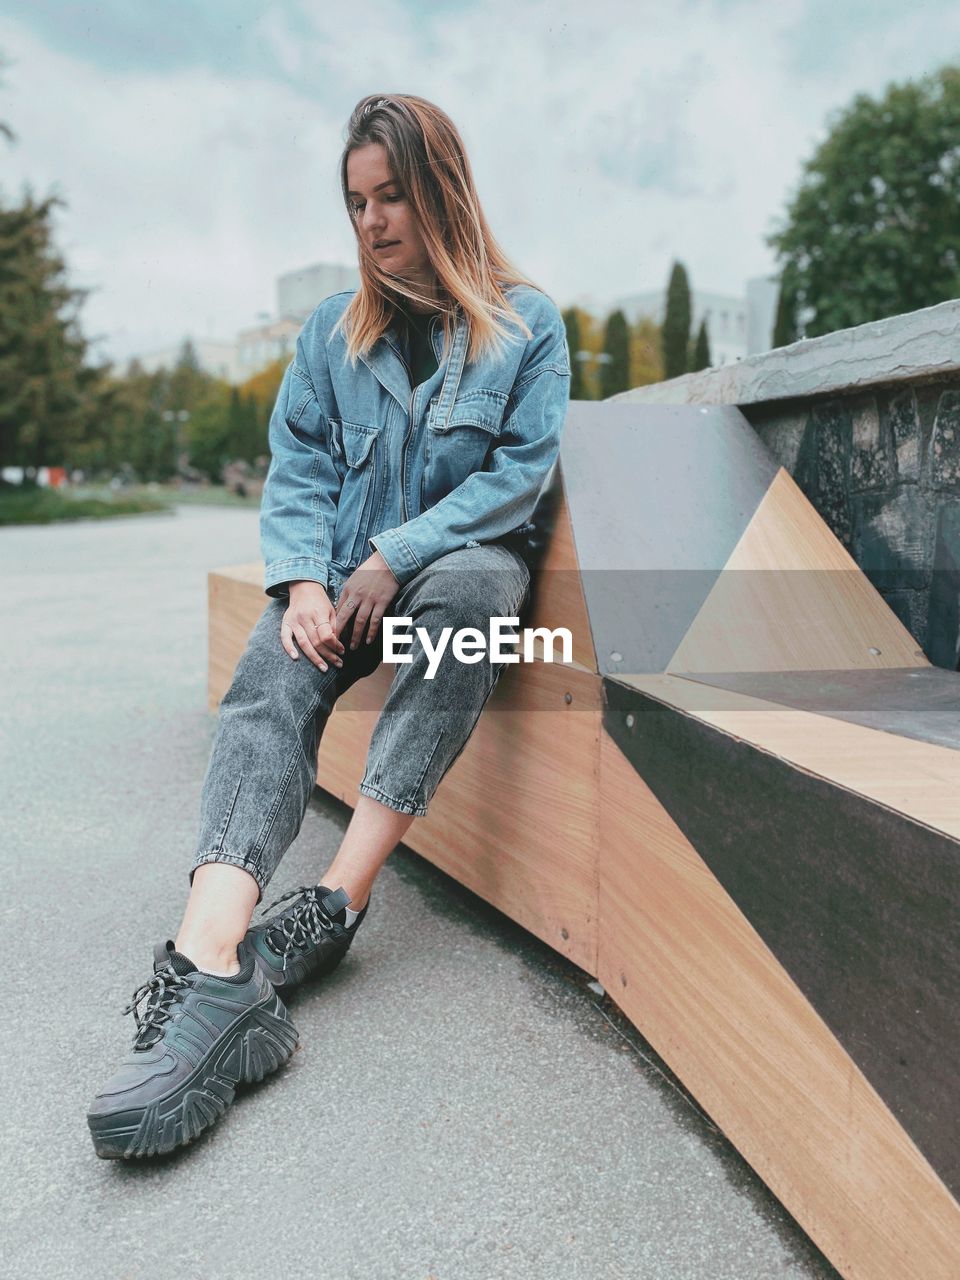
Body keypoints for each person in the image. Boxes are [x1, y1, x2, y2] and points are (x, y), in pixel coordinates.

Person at [87, 93, 572, 1159]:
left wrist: (398, 554)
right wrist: (303, 582)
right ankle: (210, 963)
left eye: (392, 195)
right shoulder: (329, 335)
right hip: (341, 584)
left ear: (441, 189)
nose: (372, 221)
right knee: (271, 672)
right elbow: (298, 470)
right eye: (357, 201)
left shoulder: (529, 325)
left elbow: (518, 479)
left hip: (450, 576)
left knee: (480, 603)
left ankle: (333, 905)